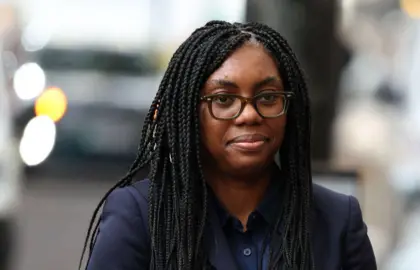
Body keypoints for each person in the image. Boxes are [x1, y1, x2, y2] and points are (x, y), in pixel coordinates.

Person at [80, 20, 377, 270]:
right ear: (188, 113)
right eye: (223, 99)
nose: (249, 114)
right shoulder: (140, 215)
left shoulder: (338, 219)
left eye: (268, 98)